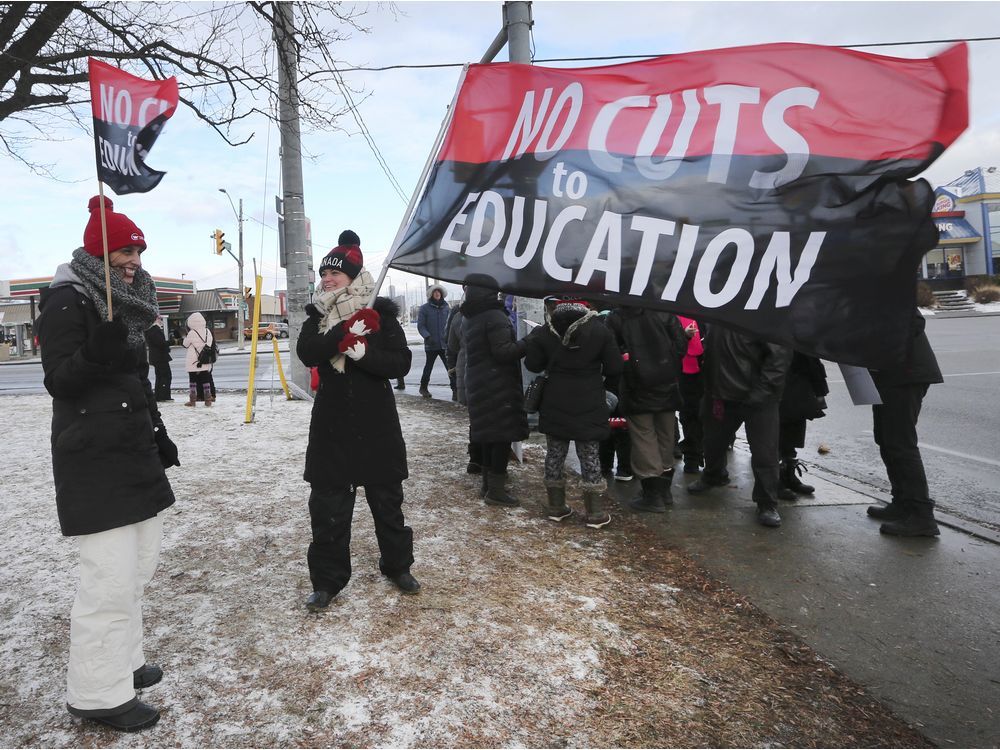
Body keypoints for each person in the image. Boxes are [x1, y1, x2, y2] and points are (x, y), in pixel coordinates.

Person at [36, 196, 180, 732]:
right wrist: (96, 351)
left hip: (133, 450)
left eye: (138, 250)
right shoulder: (68, 301)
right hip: (94, 458)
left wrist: (157, 434)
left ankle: (125, 661)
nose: (134, 260)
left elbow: (133, 382)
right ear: (99, 253)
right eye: (124, 250)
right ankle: (98, 693)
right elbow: (59, 380)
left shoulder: (130, 302)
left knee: (137, 567)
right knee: (109, 579)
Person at [296, 231, 418, 612]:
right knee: (328, 509)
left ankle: (397, 565)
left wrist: (364, 353)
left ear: (353, 275)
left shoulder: (380, 314)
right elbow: (307, 353)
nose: (327, 279)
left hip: (376, 424)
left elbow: (400, 363)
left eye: (335, 273)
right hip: (332, 426)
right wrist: (342, 333)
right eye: (323, 274)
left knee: (388, 504)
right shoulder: (317, 315)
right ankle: (328, 581)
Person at [525, 297, 622, 527]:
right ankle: (595, 513)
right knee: (589, 455)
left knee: (555, 454)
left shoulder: (545, 332)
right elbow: (614, 367)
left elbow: (532, 365)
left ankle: (556, 507)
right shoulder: (599, 330)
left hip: (554, 400)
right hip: (589, 400)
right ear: (584, 307)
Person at [687, 325, 792, 528]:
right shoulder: (719, 312)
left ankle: (767, 503)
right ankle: (713, 475)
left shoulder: (766, 315)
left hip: (759, 399)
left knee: (764, 454)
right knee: (712, 441)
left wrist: (759, 395)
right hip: (720, 394)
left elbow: (778, 361)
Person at [867, 311, 944, 536]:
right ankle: (902, 502)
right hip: (890, 375)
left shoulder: (886, 285)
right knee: (886, 438)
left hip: (906, 373)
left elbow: (915, 323)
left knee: (900, 443)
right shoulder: (868, 289)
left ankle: (921, 515)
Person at [607, 305, 689, 513]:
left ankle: (652, 494)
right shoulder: (664, 310)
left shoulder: (617, 316)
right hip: (666, 383)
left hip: (636, 386)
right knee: (666, 435)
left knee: (644, 437)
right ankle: (664, 491)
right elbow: (681, 345)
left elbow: (612, 355)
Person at [460, 282, 528, 506]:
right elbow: (504, 352)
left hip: (480, 382)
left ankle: (488, 486)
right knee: (500, 437)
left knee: (488, 435)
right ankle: (496, 492)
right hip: (498, 383)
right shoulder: (494, 316)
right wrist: (529, 341)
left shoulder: (471, 317)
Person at [778, 352, 829, 497]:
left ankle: (788, 474)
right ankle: (775, 479)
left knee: (793, 428)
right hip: (779, 374)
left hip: (798, 377)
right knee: (774, 433)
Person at [676, 315, 706, 474]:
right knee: (689, 414)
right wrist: (684, 336)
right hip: (684, 372)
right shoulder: (673, 314)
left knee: (707, 416)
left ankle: (702, 455)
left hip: (708, 370)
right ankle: (692, 457)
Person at [416, 284, 455, 398]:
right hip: (431, 344)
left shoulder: (446, 308)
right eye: (435, 292)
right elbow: (421, 326)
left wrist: (449, 338)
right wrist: (427, 336)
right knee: (428, 367)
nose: (437, 294)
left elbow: (451, 325)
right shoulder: (424, 308)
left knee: (450, 368)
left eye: (439, 292)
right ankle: (423, 388)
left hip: (445, 344)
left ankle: (455, 390)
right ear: (431, 294)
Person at [182, 312, 214, 406]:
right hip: (204, 359)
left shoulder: (192, 332)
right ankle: (208, 400)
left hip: (193, 360)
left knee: (193, 380)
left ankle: (192, 401)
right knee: (205, 379)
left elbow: (185, 344)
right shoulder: (208, 331)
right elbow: (209, 344)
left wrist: (185, 337)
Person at [145, 315, 173, 402]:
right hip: (160, 357)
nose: (161, 321)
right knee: (165, 376)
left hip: (157, 357)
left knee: (160, 376)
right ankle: (163, 395)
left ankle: (159, 395)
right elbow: (160, 343)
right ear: (155, 320)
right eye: (159, 319)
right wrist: (170, 342)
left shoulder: (151, 330)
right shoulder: (154, 330)